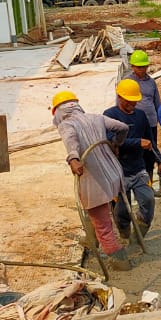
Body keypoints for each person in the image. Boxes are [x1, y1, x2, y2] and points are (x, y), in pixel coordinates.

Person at [52, 90, 132, 270]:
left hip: (93, 180)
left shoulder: (66, 125)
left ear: (58, 112)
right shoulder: (96, 117)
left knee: (103, 224)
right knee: (100, 215)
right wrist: (116, 144)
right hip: (113, 174)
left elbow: (71, 142)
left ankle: (120, 261)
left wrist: (73, 159)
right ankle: (91, 241)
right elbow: (123, 127)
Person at [104, 79, 161, 244]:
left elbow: (150, 142)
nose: (133, 103)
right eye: (130, 100)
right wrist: (137, 142)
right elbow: (110, 142)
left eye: (135, 100)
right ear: (120, 97)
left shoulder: (141, 115)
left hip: (138, 169)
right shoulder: (109, 116)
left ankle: (140, 232)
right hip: (118, 172)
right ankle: (124, 232)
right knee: (122, 210)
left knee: (148, 199)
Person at [124, 50, 161, 179]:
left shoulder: (151, 82)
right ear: (133, 66)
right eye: (139, 67)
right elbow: (120, 101)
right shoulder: (127, 82)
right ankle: (134, 182)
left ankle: (149, 184)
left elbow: (157, 103)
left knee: (150, 153)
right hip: (133, 123)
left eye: (144, 67)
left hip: (150, 123)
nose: (142, 69)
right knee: (134, 152)